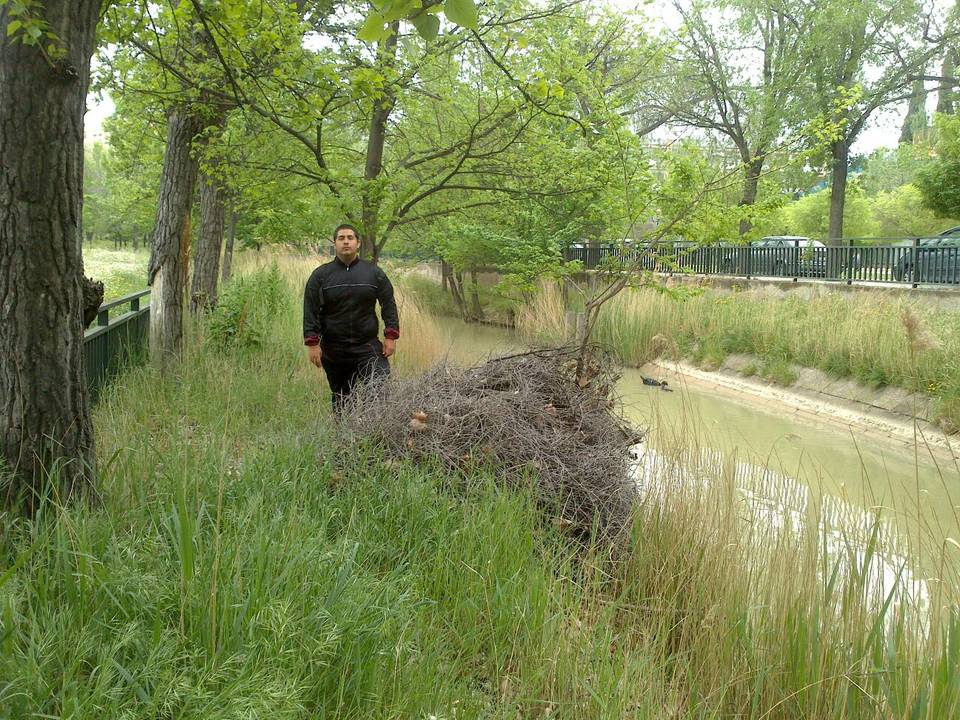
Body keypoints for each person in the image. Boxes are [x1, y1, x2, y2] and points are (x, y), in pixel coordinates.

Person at [303, 223, 399, 412]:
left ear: (358, 243)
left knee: (379, 392)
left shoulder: (374, 273)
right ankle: (345, 431)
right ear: (335, 243)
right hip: (334, 350)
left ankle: (375, 429)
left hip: (368, 347)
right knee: (343, 401)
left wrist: (390, 336)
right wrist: (312, 344)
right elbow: (310, 310)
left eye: (350, 238)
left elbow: (388, 304)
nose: (346, 242)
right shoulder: (321, 276)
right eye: (341, 238)